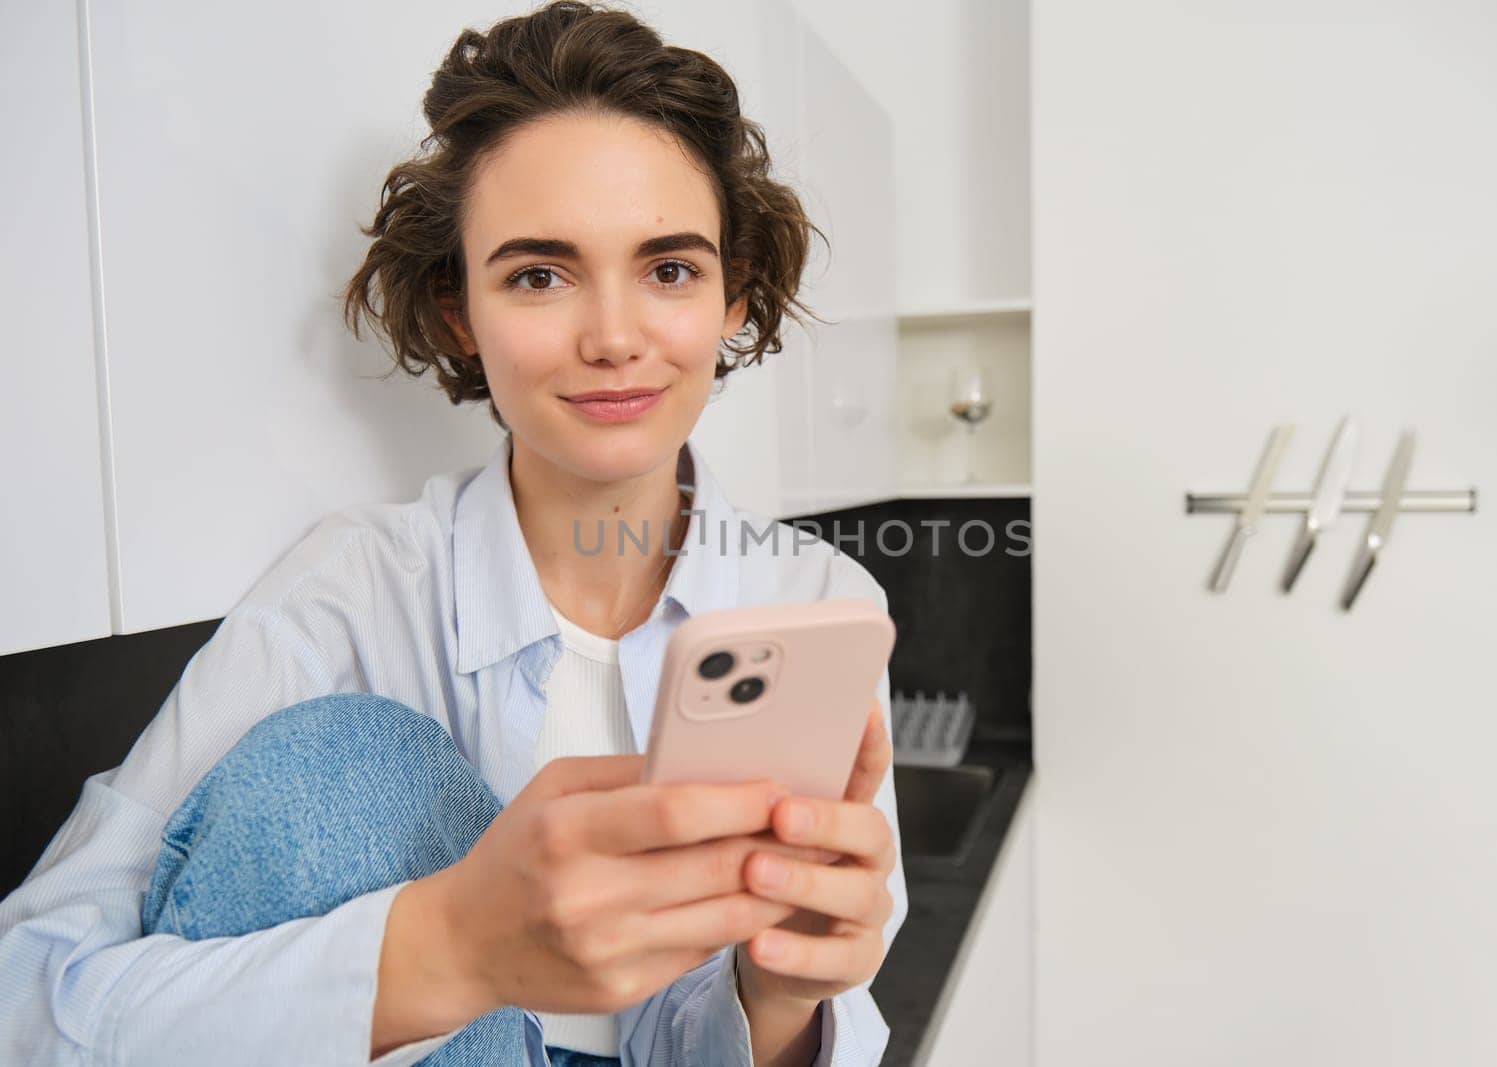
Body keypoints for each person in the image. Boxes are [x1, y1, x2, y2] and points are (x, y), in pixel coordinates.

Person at [0, 2, 908, 1064]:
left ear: (731, 296)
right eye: (538, 274)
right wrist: (445, 948)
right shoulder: (351, 591)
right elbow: (26, 994)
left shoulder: (812, 605)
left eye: (669, 269)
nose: (615, 338)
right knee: (347, 764)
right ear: (456, 313)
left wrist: (781, 997)